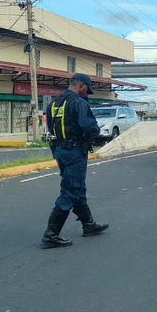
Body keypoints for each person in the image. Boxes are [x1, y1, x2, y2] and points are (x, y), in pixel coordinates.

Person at [40, 73, 108, 249]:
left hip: (60, 150)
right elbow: (89, 126)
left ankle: (89, 225)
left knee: (77, 187)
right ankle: (51, 235)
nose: (87, 94)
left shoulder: (54, 103)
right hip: (75, 151)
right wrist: (95, 132)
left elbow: (50, 127)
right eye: (87, 90)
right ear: (82, 86)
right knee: (70, 191)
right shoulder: (79, 102)